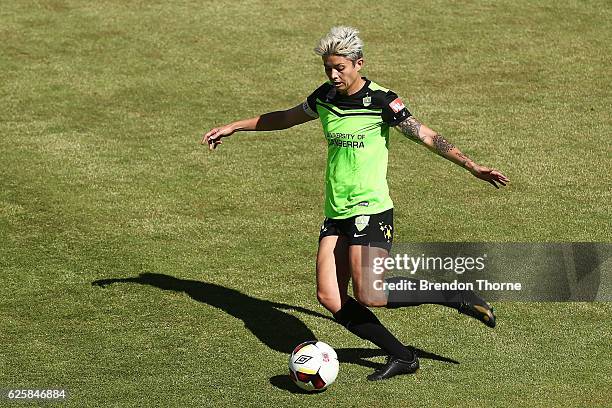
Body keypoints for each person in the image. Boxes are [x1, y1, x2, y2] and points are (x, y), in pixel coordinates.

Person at [202, 26, 509, 381]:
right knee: (329, 296)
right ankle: (403, 357)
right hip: (337, 210)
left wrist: (472, 166)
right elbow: (286, 117)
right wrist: (234, 127)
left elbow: (425, 134)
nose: (333, 75)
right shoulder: (325, 97)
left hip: (370, 208)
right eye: (328, 68)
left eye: (340, 68)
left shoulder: (381, 100)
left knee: (371, 294)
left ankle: (455, 294)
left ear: (358, 63)